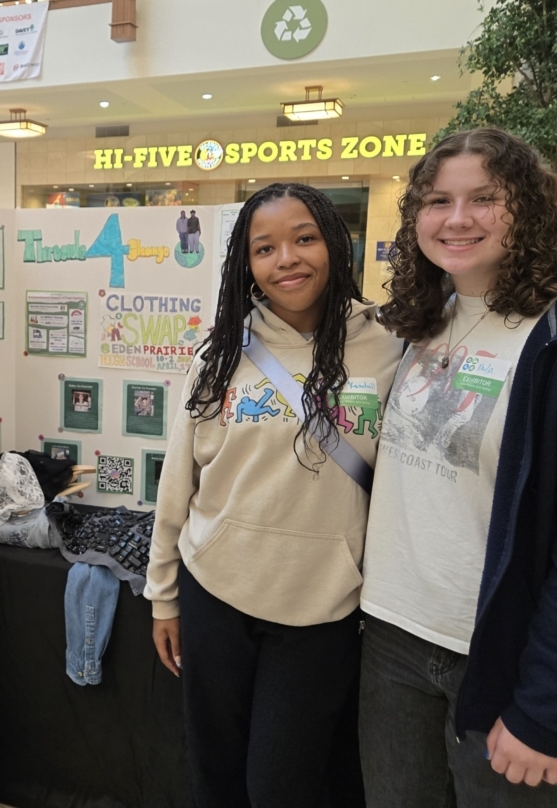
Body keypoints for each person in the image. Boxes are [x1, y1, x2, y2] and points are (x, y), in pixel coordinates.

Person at [359, 128, 557, 807]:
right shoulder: (418, 322)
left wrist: (547, 709)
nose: (457, 219)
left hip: (510, 660)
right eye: (437, 201)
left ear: (530, 210)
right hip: (393, 643)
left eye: (485, 198)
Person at [146, 182, 403, 807]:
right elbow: (179, 481)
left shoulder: (390, 350)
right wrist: (163, 595)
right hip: (217, 592)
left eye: (304, 239)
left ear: (335, 246)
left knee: (281, 784)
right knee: (216, 771)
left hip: (324, 606)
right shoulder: (219, 355)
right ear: (247, 264)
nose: (286, 258)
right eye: (265, 247)